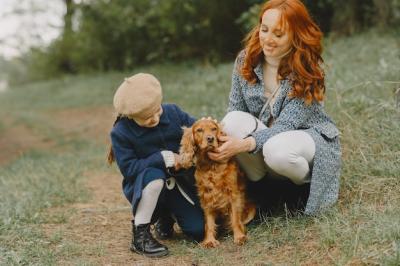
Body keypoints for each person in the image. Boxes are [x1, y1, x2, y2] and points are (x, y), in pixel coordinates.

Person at [208, 0, 341, 215]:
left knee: (277, 149)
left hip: (303, 138)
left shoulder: (308, 68)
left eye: (278, 34)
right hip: (262, 141)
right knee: (231, 121)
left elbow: (285, 127)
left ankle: (301, 190)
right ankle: (263, 192)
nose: (268, 40)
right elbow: (235, 109)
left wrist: (243, 145)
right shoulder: (245, 60)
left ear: (296, 35)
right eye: (264, 29)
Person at [108, 73, 204, 257]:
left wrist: (207, 129)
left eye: (156, 111)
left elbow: (196, 129)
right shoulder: (120, 133)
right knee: (154, 176)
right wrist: (162, 158)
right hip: (146, 186)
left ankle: (168, 217)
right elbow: (129, 170)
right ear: (130, 116)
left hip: (179, 184)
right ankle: (140, 235)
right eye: (145, 118)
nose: (154, 119)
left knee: (198, 230)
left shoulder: (173, 112)